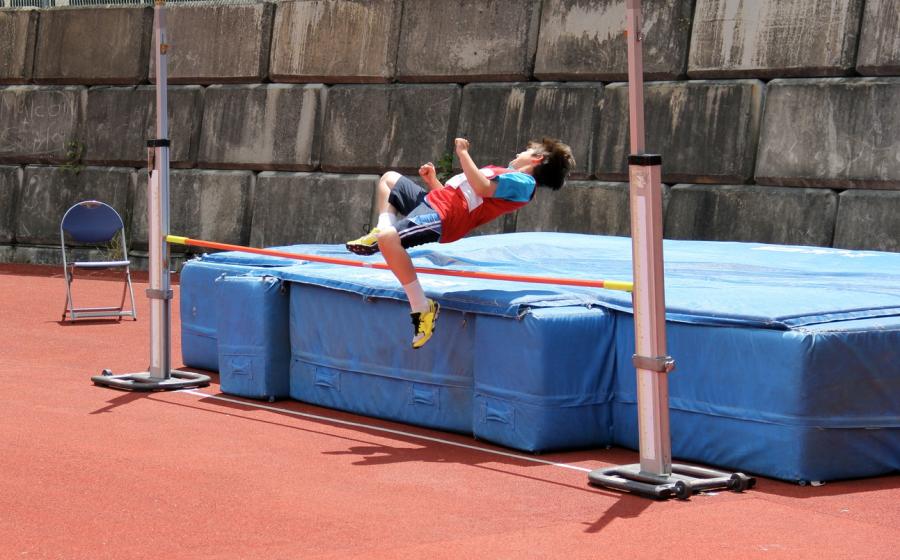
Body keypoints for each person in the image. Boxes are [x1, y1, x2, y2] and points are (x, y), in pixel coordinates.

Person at [346, 137, 574, 349]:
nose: (519, 152)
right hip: (436, 204)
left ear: (538, 159)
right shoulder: (502, 172)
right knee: (389, 179)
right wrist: (433, 182)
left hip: (445, 218)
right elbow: (461, 196)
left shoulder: (524, 183)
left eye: (526, 150)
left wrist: (463, 153)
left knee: (388, 240)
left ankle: (421, 306)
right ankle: (381, 228)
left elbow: (481, 188)